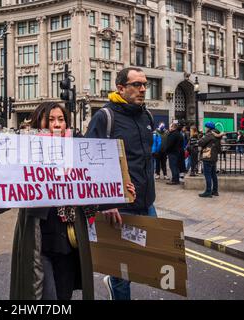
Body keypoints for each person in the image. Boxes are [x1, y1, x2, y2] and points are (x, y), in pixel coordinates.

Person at [0, 102, 136, 300]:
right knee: (45, 296)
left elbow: (94, 190)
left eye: (61, 120)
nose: (57, 124)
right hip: (40, 242)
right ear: (40, 123)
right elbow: (9, 190)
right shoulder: (25, 153)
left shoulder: (80, 152)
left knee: (64, 296)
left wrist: (121, 193)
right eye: (51, 119)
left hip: (70, 243)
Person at [85, 67, 157, 300]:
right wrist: (106, 202)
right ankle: (117, 288)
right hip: (117, 204)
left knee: (150, 256)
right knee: (122, 268)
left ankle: (113, 281)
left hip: (146, 202)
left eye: (144, 84)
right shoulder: (105, 117)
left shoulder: (147, 116)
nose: (143, 89)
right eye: (136, 84)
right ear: (120, 88)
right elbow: (90, 161)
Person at [198, 122, 224, 197]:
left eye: (206, 127)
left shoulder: (209, 135)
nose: (205, 128)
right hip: (214, 157)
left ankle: (208, 192)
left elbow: (201, 143)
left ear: (208, 128)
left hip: (208, 157)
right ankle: (215, 191)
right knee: (213, 175)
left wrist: (201, 136)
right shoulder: (217, 135)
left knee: (208, 175)